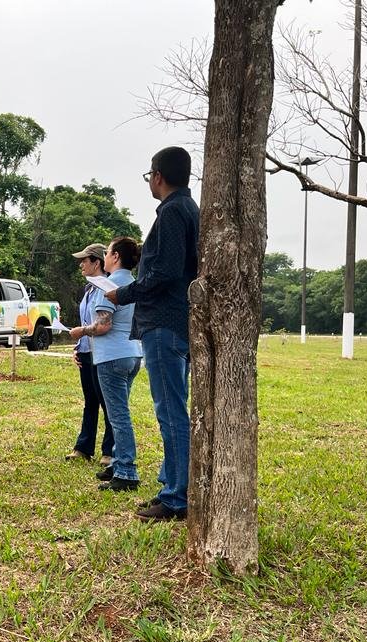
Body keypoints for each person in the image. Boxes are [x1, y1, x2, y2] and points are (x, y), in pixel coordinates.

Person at [105, 147, 199, 520]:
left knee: (171, 411)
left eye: (149, 176)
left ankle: (176, 497)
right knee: (174, 408)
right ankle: (171, 484)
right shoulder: (187, 210)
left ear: (158, 175)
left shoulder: (174, 212)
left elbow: (165, 273)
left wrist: (122, 293)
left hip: (165, 324)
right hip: (178, 322)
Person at [71, 237, 143, 492]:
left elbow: (103, 324)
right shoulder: (134, 284)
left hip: (112, 356)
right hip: (133, 354)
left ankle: (126, 471)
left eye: (109, 251)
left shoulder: (109, 284)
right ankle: (116, 463)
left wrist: (82, 331)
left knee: (118, 415)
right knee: (118, 412)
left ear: (114, 257)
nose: (107, 255)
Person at [65, 243, 114, 466]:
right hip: (86, 352)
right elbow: (86, 321)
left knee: (107, 402)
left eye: (85, 260)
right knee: (90, 401)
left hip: (102, 353)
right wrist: (78, 347)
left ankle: (109, 451)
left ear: (97, 262)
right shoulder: (88, 289)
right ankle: (84, 447)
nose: (81, 265)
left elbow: (103, 323)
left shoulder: (107, 287)